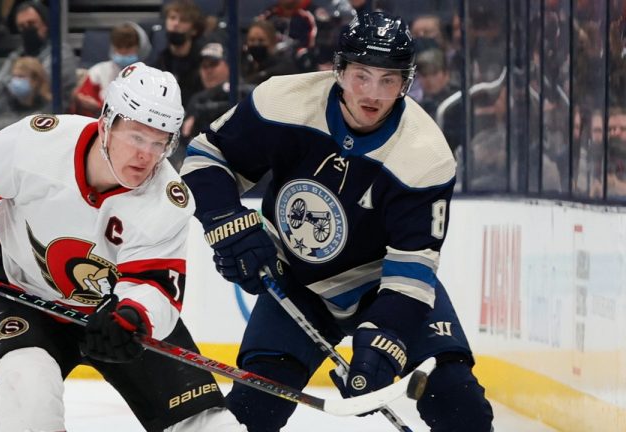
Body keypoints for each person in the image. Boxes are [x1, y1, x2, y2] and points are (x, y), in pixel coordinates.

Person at [180, 11, 494, 432]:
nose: (373, 93)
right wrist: (226, 221)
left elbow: (412, 272)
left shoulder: (425, 156)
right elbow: (206, 156)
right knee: (252, 412)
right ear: (339, 70)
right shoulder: (282, 102)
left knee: (459, 402)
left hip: (382, 285)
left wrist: (385, 340)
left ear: (406, 82)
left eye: (389, 79)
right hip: (296, 280)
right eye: (362, 75)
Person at [0, 63, 247, 432]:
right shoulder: (38, 142)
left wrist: (134, 316)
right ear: (107, 121)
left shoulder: (167, 200)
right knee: (27, 392)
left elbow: (154, 287)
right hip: (24, 295)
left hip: (113, 317)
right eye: (137, 137)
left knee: (211, 426)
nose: (147, 156)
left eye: (160, 142)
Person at [0, 0, 78, 110]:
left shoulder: (61, 52)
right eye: (22, 26)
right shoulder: (17, 54)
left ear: (45, 25)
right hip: (18, 113)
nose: (27, 29)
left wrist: (13, 82)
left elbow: (41, 82)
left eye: (31, 24)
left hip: (53, 115)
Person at [73, 22, 152, 117]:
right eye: (119, 47)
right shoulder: (98, 71)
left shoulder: (150, 76)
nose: (123, 51)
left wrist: (99, 108)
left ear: (140, 47)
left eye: (128, 47)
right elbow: (82, 101)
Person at [148, 0, 206, 105]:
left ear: (194, 30)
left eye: (183, 20)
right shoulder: (159, 61)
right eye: (172, 18)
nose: (176, 24)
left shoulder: (204, 62)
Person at [0, 56, 52, 132]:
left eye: (21, 76)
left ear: (35, 80)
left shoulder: (49, 108)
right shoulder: (1, 104)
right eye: (14, 76)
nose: (16, 81)